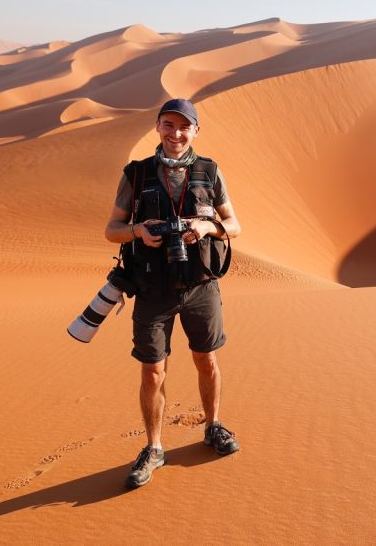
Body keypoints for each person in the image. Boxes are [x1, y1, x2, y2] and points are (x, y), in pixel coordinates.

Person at [104, 98, 242, 489]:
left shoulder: (209, 171)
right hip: (153, 288)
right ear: (157, 127)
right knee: (152, 370)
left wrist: (206, 227)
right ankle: (153, 447)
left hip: (201, 285)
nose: (175, 134)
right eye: (168, 125)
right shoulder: (137, 173)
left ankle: (213, 426)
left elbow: (234, 224)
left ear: (195, 130)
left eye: (184, 127)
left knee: (207, 360)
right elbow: (112, 229)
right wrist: (139, 231)